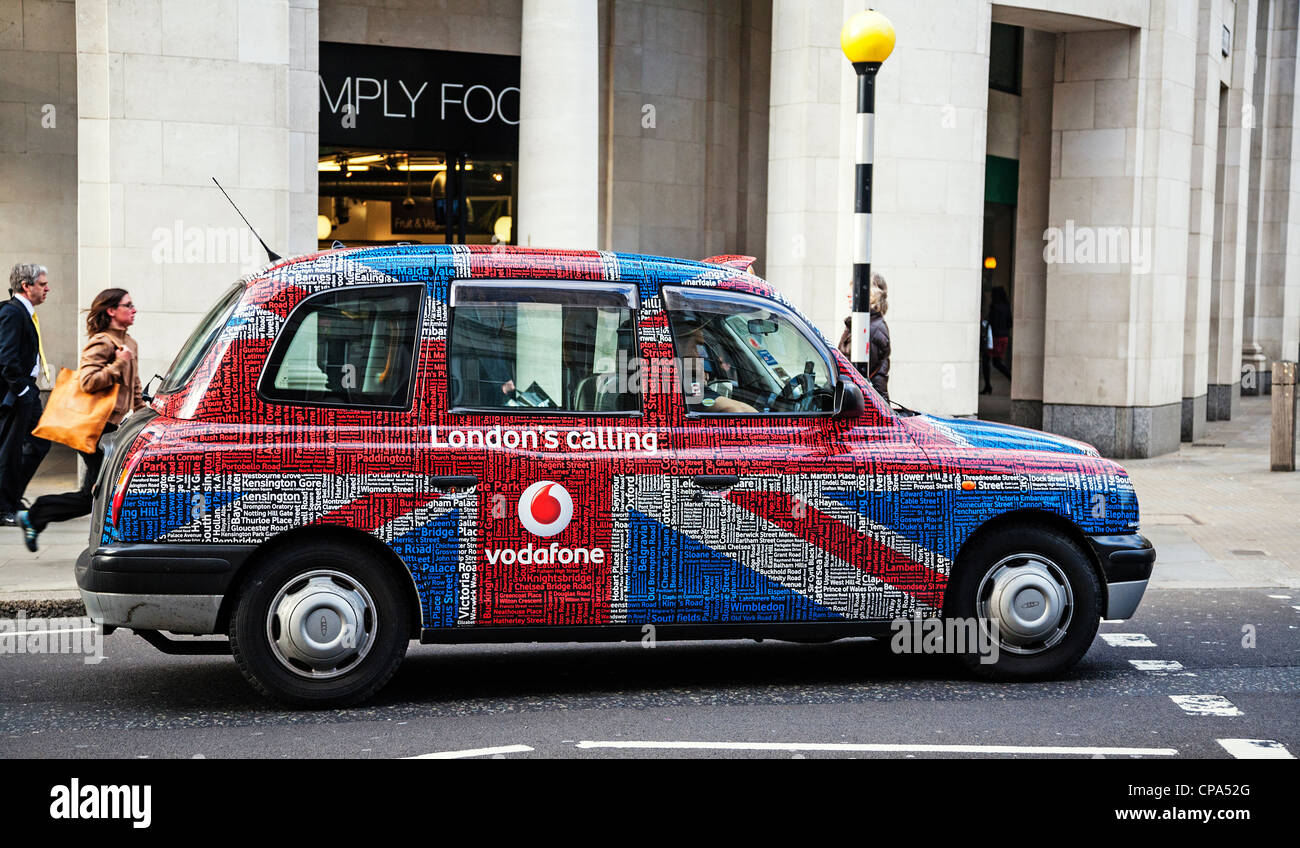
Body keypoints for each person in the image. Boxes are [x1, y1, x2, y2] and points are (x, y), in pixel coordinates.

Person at [16, 289, 145, 551]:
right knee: (95, 494)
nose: (134, 309)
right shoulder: (102, 342)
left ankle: (39, 517)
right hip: (94, 428)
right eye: (127, 305)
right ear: (111, 310)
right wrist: (117, 364)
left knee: (101, 491)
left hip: (111, 428)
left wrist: (142, 411)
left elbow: (134, 384)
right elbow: (87, 382)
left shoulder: (129, 343)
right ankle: (36, 515)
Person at [0, 264, 53, 526]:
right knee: (9, 450)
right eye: (42, 284)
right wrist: (21, 390)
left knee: (40, 441)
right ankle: (3, 507)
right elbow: (6, 358)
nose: (47, 288)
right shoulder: (12, 312)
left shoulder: (25, 312)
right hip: (18, 391)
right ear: (26, 286)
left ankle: (11, 496)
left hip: (27, 389)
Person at [670, 311, 757, 414]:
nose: (700, 355)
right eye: (699, 347)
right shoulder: (681, 380)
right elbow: (738, 410)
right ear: (678, 346)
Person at [868, 273, 891, 401]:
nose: (848, 294)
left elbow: (857, 375)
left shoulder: (871, 328)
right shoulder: (870, 325)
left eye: (853, 289)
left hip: (871, 406)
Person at [986, 286, 1013, 386]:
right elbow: (1010, 323)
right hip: (1004, 337)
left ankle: (1011, 379)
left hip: (995, 338)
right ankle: (988, 385)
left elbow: (991, 322)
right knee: (995, 361)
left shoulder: (995, 307)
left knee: (993, 361)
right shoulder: (1006, 307)